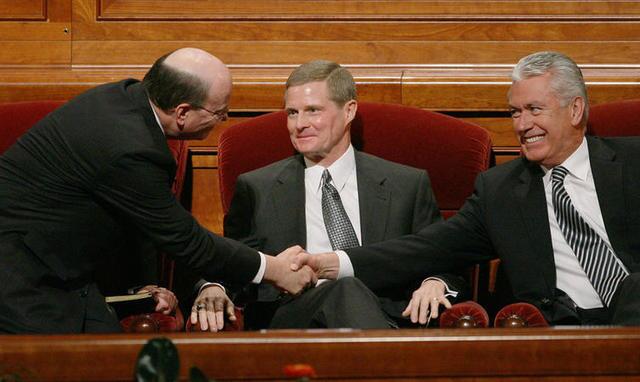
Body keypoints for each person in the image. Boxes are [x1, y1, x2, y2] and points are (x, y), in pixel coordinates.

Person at [293, 51, 640, 326]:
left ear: (575, 109)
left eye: (534, 109)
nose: (522, 125)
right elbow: (425, 249)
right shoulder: (500, 191)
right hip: (556, 334)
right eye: (514, 112)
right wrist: (331, 263)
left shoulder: (633, 162)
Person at [0, 47, 315, 334]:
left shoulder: (125, 96)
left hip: (63, 268)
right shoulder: (129, 147)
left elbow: (133, 217)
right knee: (76, 366)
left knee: (118, 359)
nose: (222, 120)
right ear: (181, 113)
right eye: (219, 113)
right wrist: (272, 268)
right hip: (20, 274)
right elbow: (185, 239)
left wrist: (144, 283)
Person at [189, 60, 467, 331]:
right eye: (292, 113)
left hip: (389, 316)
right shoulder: (257, 187)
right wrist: (213, 286)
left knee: (349, 288)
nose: (299, 124)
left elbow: (442, 257)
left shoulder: (406, 184)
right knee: (343, 287)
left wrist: (436, 280)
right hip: (295, 318)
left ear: (349, 111)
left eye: (313, 110)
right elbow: (232, 260)